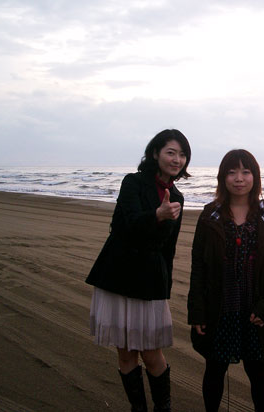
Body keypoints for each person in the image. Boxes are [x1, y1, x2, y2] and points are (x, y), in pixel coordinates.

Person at [86, 129, 192, 412]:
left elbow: (168, 248)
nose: (177, 159)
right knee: (126, 353)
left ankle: (163, 408)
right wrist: (157, 215)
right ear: (155, 153)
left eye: (182, 154)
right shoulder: (132, 182)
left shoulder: (177, 197)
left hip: (149, 281)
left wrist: (165, 287)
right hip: (118, 274)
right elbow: (126, 224)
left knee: (152, 352)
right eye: (171, 152)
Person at [188, 149, 264, 412]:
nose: (239, 178)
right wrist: (197, 311)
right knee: (214, 368)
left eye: (245, 171)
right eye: (231, 172)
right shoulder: (210, 215)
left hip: (255, 309)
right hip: (220, 308)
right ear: (223, 178)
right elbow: (198, 266)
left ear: (255, 176)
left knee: (258, 371)